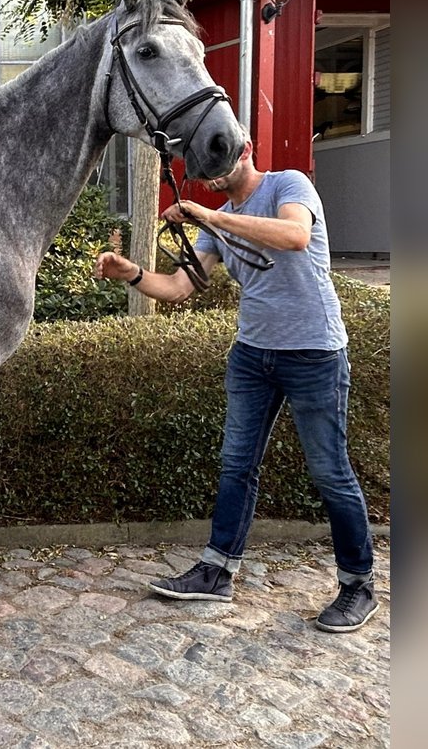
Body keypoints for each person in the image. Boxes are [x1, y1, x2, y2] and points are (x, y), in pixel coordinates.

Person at [94, 142, 378, 632]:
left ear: (245, 149)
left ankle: (359, 585)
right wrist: (134, 275)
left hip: (314, 352)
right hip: (252, 355)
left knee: (330, 472)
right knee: (236, 464)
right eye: (202, 171)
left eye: (216, 163)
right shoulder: (218, 219)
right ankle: (218, 569)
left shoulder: (288, 184)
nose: (209, 176)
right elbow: (181, 288)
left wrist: (211, 217)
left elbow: (293, 236)